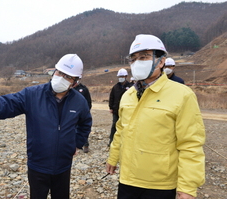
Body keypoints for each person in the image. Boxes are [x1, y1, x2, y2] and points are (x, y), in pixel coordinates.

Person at [0, 54, 92, 199]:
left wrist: (76, 144)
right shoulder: (32, 95)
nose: (60, 77)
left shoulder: (79, 101)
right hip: (37, 164)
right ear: (54, 71)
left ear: (75, 81)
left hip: (63, 166)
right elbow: (6, 104)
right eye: (59, 72)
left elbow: (85, 123)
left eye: (67, 76)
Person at [106, 34, 205, 199]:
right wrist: (113, 157)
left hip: (160, 184)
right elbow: (120, 131)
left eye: (144, 57)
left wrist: (187, 187)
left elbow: (191, 144)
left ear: (161, 61)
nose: (137, 62)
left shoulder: (182, 95)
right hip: (128, 179)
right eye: (134, 59)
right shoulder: (128, 95)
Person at [108, 68, 133, 146]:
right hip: (116, 110)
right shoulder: (115, 87)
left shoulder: (131, 87)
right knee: (115, 125)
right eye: (119, 76)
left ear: (126, 76)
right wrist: (111, 107)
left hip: (127, 111)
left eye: (122, 76)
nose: (121, 78)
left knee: (126, 126)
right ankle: (111, 140)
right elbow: (111, 97)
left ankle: (126, 141)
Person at [73, 75, 92, 153]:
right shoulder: (69, 89)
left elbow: (88, 101)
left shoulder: (84, 89)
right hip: (71, 113)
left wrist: (86, 111)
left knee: (82, 128)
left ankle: (85, 145)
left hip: (81, 113)